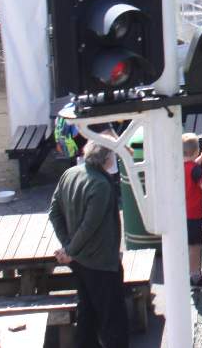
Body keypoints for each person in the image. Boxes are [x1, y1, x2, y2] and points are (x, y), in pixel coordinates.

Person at [49, 139, 129, 348]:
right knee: (113, 318)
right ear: (106, 158)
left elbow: (54, 212)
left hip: (79, 261)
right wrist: (70, 249)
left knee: (87, 312)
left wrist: (68, 247)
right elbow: (89, 226)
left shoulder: (70, 173)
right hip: (101, 261)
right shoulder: (101, 185)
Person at [182, 132, 202, 287]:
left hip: (184, 213)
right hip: (195, 214)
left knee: (191, 245)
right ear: (194, 151)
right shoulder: (195, 169)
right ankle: (195, 277)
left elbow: (191, 167)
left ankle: (193, 273)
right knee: (195, 247)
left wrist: (201, 157)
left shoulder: (182, 166)